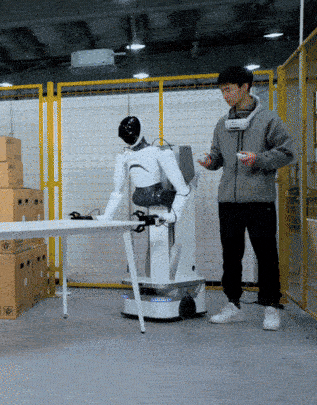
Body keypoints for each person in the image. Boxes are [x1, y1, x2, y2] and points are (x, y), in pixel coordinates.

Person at [198, 66, 293, 330]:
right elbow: (218, 156)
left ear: (245, 87)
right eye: (222, 91)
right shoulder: (222, 124)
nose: (225, 95)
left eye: (229, 90)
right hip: (228, 201)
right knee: (231, 255)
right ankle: (232, 304)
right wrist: (211, 161)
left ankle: (271, 306)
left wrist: (259, 159)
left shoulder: (268, 120)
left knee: (266, 254)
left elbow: (287, 152)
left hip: (259, 199)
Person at [97, 116, 191, 224]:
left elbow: (117, 191)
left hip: (139, 198)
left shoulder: (125, 157)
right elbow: (183, 190)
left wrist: (107, 216)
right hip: (156, 196)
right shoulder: (156, 153)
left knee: (184, 189)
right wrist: (174, 215)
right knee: (185, 190)